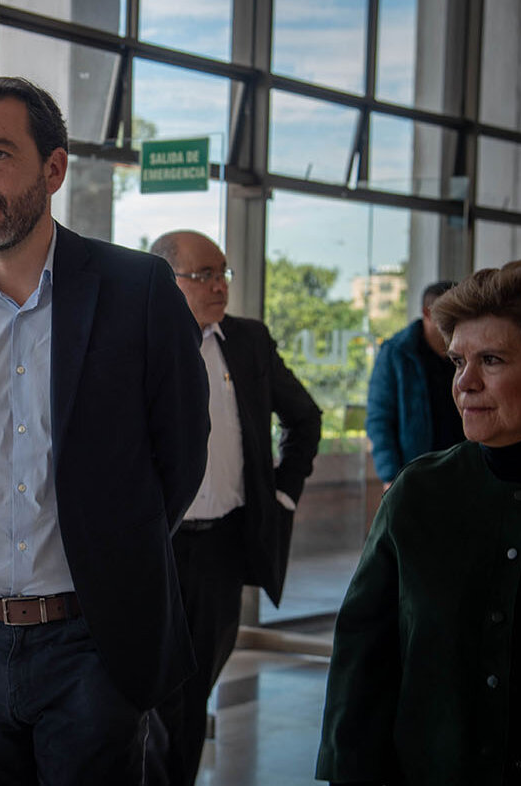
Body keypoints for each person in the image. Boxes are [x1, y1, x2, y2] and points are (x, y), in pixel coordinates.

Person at [0, 76, 209, 785]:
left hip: (95, 642)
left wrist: (114, 558)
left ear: (53, 168)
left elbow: (179, 458)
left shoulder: (139, 291)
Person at [316, 254, 521, 785]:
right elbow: (363, 666)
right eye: (457, 361)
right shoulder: (420, 493)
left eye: (491, 361)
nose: (464, 384)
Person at [149, 230, 321, 786]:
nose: (218, 284)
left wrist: (280, 493)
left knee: (192, 691)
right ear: (166, 282)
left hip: (221, 547)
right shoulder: (138, 343)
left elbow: (305, 417)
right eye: (202, 275)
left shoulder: (247, 342)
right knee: (150, 690)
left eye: (222, 272)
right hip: (154, 549)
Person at [366, 280, 463, 488]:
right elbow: (379, 417)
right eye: (447, 314)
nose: (455, 321)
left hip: (464, 470)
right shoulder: (397, 352)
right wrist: (390, 475)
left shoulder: (466, 352)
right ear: (427, 313)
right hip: (415, 475)